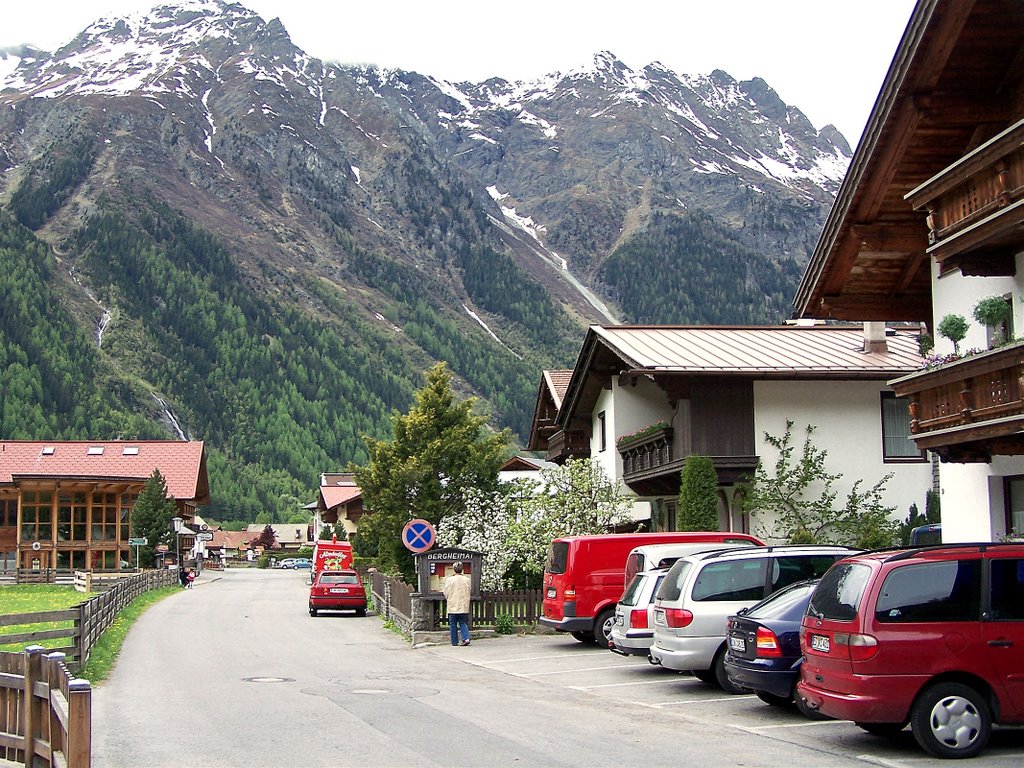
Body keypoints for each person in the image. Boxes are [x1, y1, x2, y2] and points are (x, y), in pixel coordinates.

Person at [442, 562, 472, 646]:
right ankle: (466, 638)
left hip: (453, 604)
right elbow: (469, 590)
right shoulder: (467, 579)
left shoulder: (449, 580)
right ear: (462, 569)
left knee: (453, 624)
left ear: (454, 569)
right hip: (463, 605)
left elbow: (446, 592)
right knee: (463, 622)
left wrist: (448, 598)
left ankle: (454, 642)